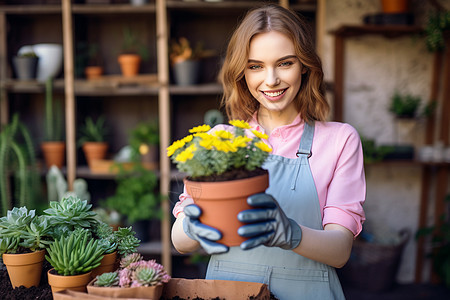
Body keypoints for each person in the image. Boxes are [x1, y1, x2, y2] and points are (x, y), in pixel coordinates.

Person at [171, 4, 365, 300]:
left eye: (285, 63)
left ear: (304, 65)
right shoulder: (221, 142)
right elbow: (180, 241)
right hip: (227, 291)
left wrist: (291, 233)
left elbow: (340, 252)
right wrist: (194, 227)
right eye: (255, 66)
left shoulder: (340, 140)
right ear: (242, 73)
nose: (271, 79)